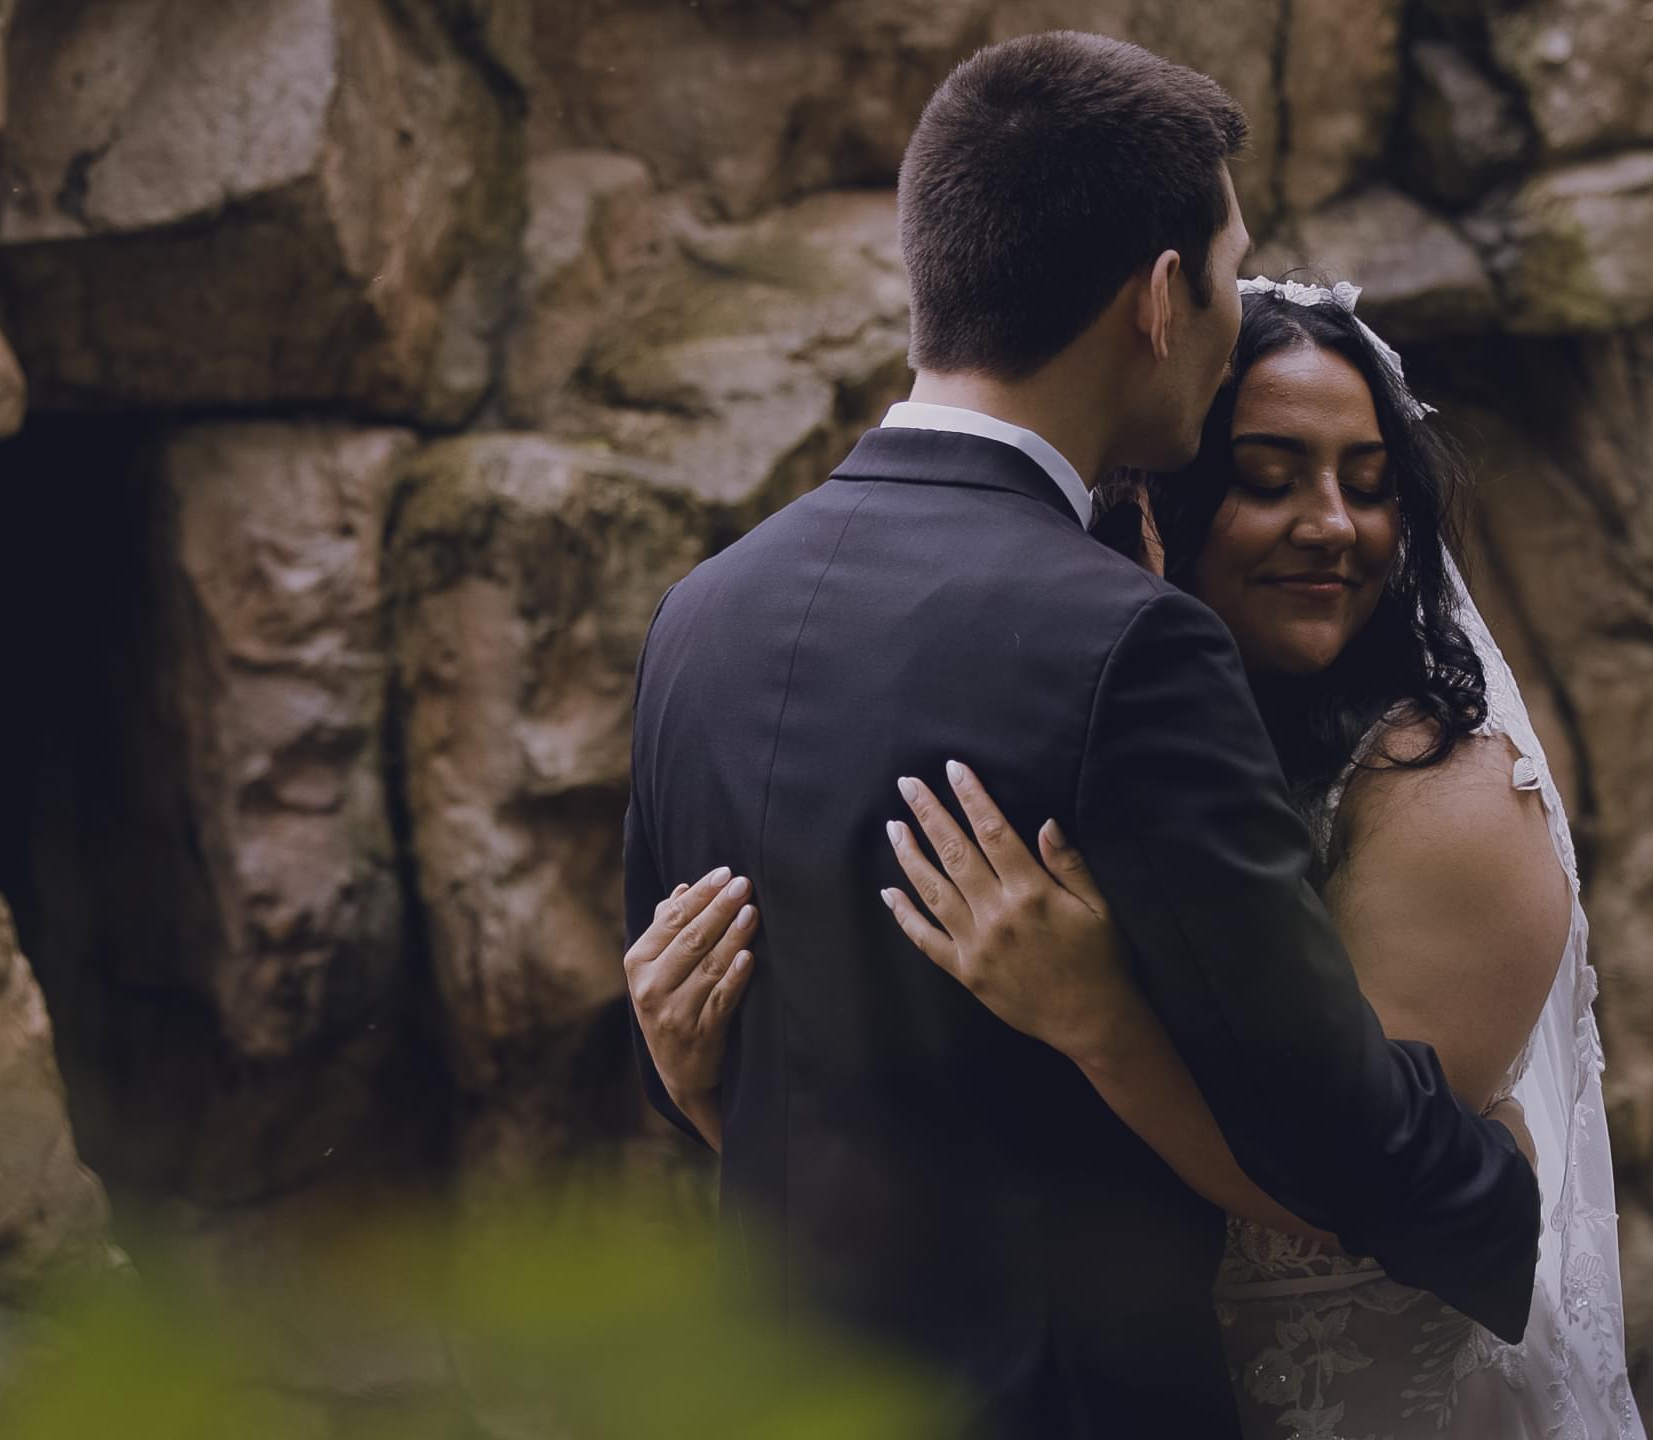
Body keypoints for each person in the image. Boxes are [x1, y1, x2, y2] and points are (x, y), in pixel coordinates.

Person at [617, 30, 1539, 1437]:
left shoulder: (704, 615)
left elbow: (784, 1055)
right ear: (1161, 299)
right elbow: (1330, 1130)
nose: (1234, 316)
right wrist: (1495, 1190)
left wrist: (704, 1089)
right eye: (1227, 279)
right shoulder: (1127, 646)